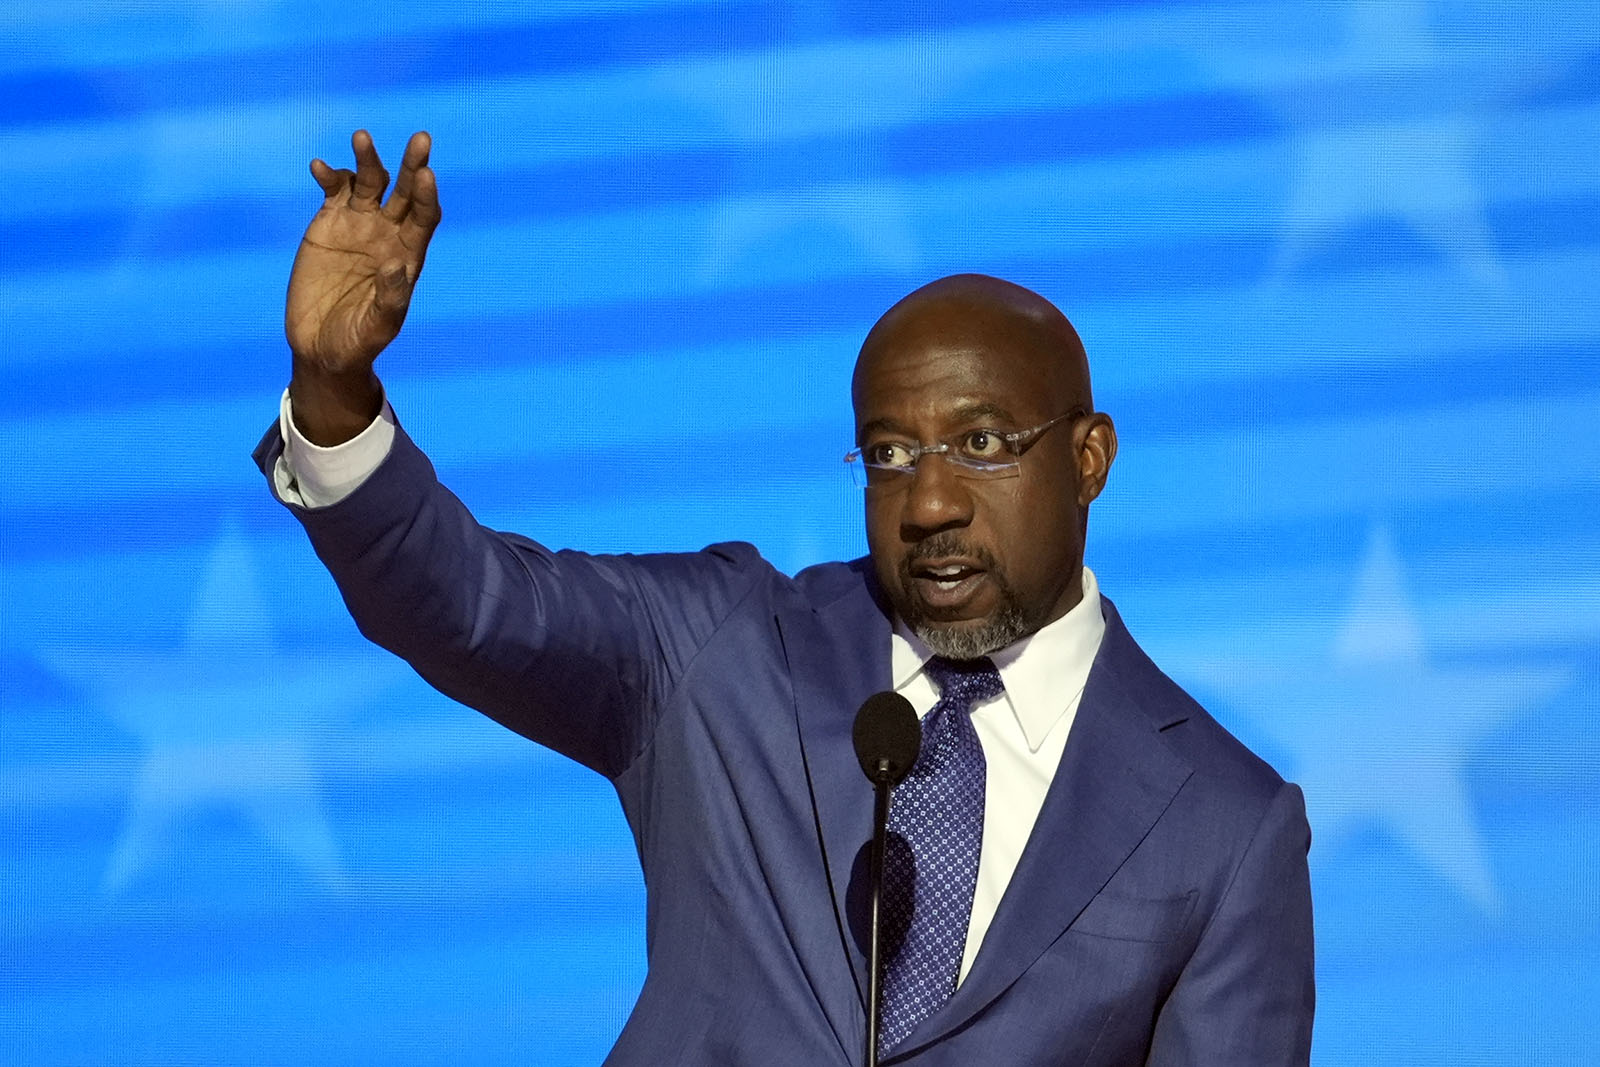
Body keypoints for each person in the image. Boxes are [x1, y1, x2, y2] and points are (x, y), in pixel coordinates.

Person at [257, 131, 1315, 1065]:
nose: (931, 500)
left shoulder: (1222, 824)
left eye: (983, 444)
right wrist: (335, 397)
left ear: (1088, 458)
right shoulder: (722, 652)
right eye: (891, 452)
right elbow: (467, 600)